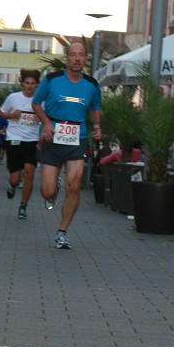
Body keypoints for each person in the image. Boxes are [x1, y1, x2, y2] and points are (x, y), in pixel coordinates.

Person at [32, 42, 102, 249]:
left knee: (74, 185)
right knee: (47, 191)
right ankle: (54, 189)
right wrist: (45, 123)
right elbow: (36, 103)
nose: (77, 59)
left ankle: (62, 232)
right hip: (52, 136)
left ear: (86, 59)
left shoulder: (92, 84)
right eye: (73, 55)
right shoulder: (52, 79)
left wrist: (97, 125)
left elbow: (96, 107)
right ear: (67, 58)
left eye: (81, 55)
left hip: (77, 136)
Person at [0, 69, 41, 220]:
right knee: (16, 178)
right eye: (27, 83)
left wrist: (40, 118)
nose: (29, 86)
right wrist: (12, 115)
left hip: (31, 140)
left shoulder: (40, 100)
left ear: (37, 84)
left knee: (30, 172)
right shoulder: (13, 97)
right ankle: (12, 185)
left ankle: (23, 206)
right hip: (14, 139)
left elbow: (46, 117)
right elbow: (1, 113)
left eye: (32, 84)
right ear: (22, 83)